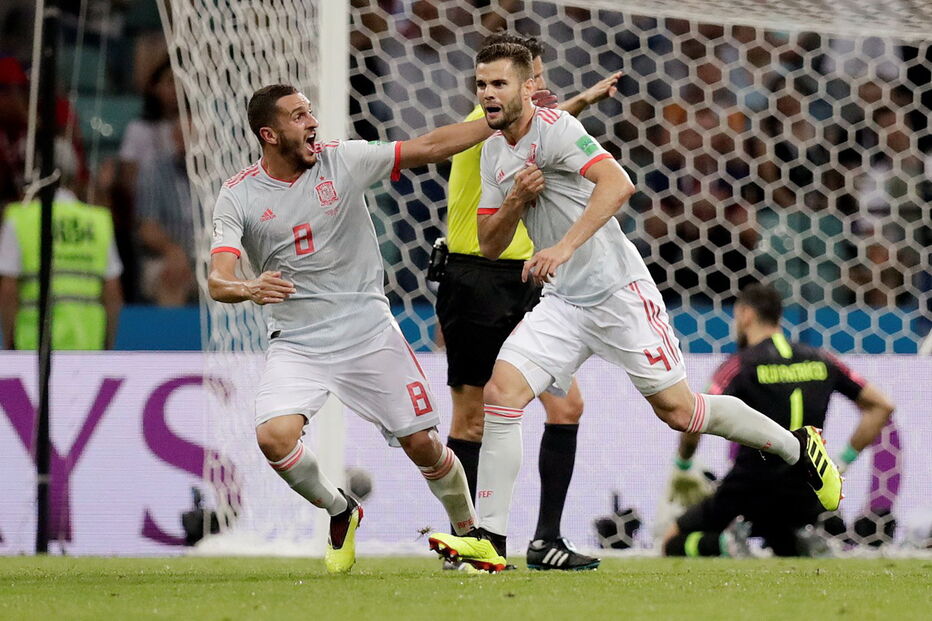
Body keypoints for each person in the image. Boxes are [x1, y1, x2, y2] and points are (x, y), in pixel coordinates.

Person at [428, 43, 843, 571]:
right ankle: (490, 540)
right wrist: (514, 202)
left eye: (499, 84)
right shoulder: (493, 152)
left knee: (682, 412)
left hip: (619, 294)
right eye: (481, 84)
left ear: (528, 87)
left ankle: (798, 448)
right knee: (502, 395)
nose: (487, 94)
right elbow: (489, 243)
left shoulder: (556, 129)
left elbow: (618, 184)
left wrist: (563, 247)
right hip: (564, 302)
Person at [207, 84, 495, 574]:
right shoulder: (239, 195)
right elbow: (218, 279)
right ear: (269, 134)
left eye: (310, 113)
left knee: (423, 445)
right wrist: (249, 288)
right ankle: (341, 510)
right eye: (299, 117)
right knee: (275, 437)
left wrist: (497, 121)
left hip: (367, 334)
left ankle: (470, 535)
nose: (312, 123)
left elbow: (427, 146)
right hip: (299, 343)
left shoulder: (343, 160)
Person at [436, 31, 620, 571]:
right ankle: (466, 544)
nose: (537, 86)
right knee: (471, 418)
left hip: (532, 279)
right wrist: (577, 103)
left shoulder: (537, 129)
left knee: (567, 405)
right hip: (476, 277)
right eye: (530, 77)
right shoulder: (488, 121)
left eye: (537, 76)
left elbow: (553, 121)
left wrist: (582, 104)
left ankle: (546, 541)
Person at [661, 283, 895, 557]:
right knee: (785, 545)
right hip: (806, 492)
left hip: (749, 486)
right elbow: (882, 406)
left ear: (746, 315)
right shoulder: (821, 359)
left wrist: (683, 465)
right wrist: (838, 464)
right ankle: (800, 539)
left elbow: (694, 415)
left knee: (670, 542)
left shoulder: (741, 364)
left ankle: (727, 545)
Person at [0, 138, 123, 350]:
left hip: (33, 345)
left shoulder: (19, 218)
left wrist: (10, 339)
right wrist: (108, 343)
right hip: (87, 344)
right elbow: (113, 293)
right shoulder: (98, 220)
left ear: (36, 176)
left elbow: (9, 290)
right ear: (76, 177)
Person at [135, 118, 197, 306]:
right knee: (172, 275)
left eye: (195, 136)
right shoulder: (155, 170)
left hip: (210, 256)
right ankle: (175, 335)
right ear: (174, 137)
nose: (188, 141)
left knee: (240, 270)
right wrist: (172, 250)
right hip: (165, 257)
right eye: (182, 136)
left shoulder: (220, 172)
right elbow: (147, 228)